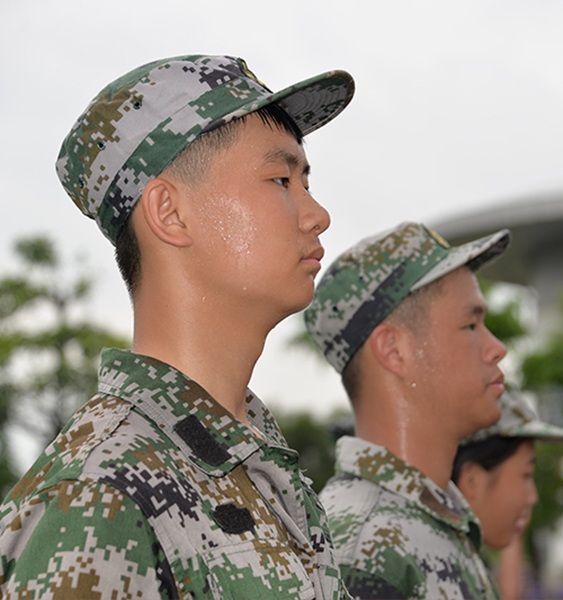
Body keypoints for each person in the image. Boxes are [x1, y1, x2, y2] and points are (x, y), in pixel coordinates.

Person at [0, 54, 355, 599]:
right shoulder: (99, 497)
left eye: (305, 180)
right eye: (281, 179)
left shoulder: (258, 465)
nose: (317, 214)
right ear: (169, 213)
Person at [304, 221, 510, 599]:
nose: (497, 347)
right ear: (394, 350)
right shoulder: (361, 551)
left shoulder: (435, 519)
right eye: (470, 324)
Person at [452, 391, 563, 599]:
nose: (532, 497)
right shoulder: (441, 564)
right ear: (472, 480)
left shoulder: (465, 560)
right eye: (526, 474)